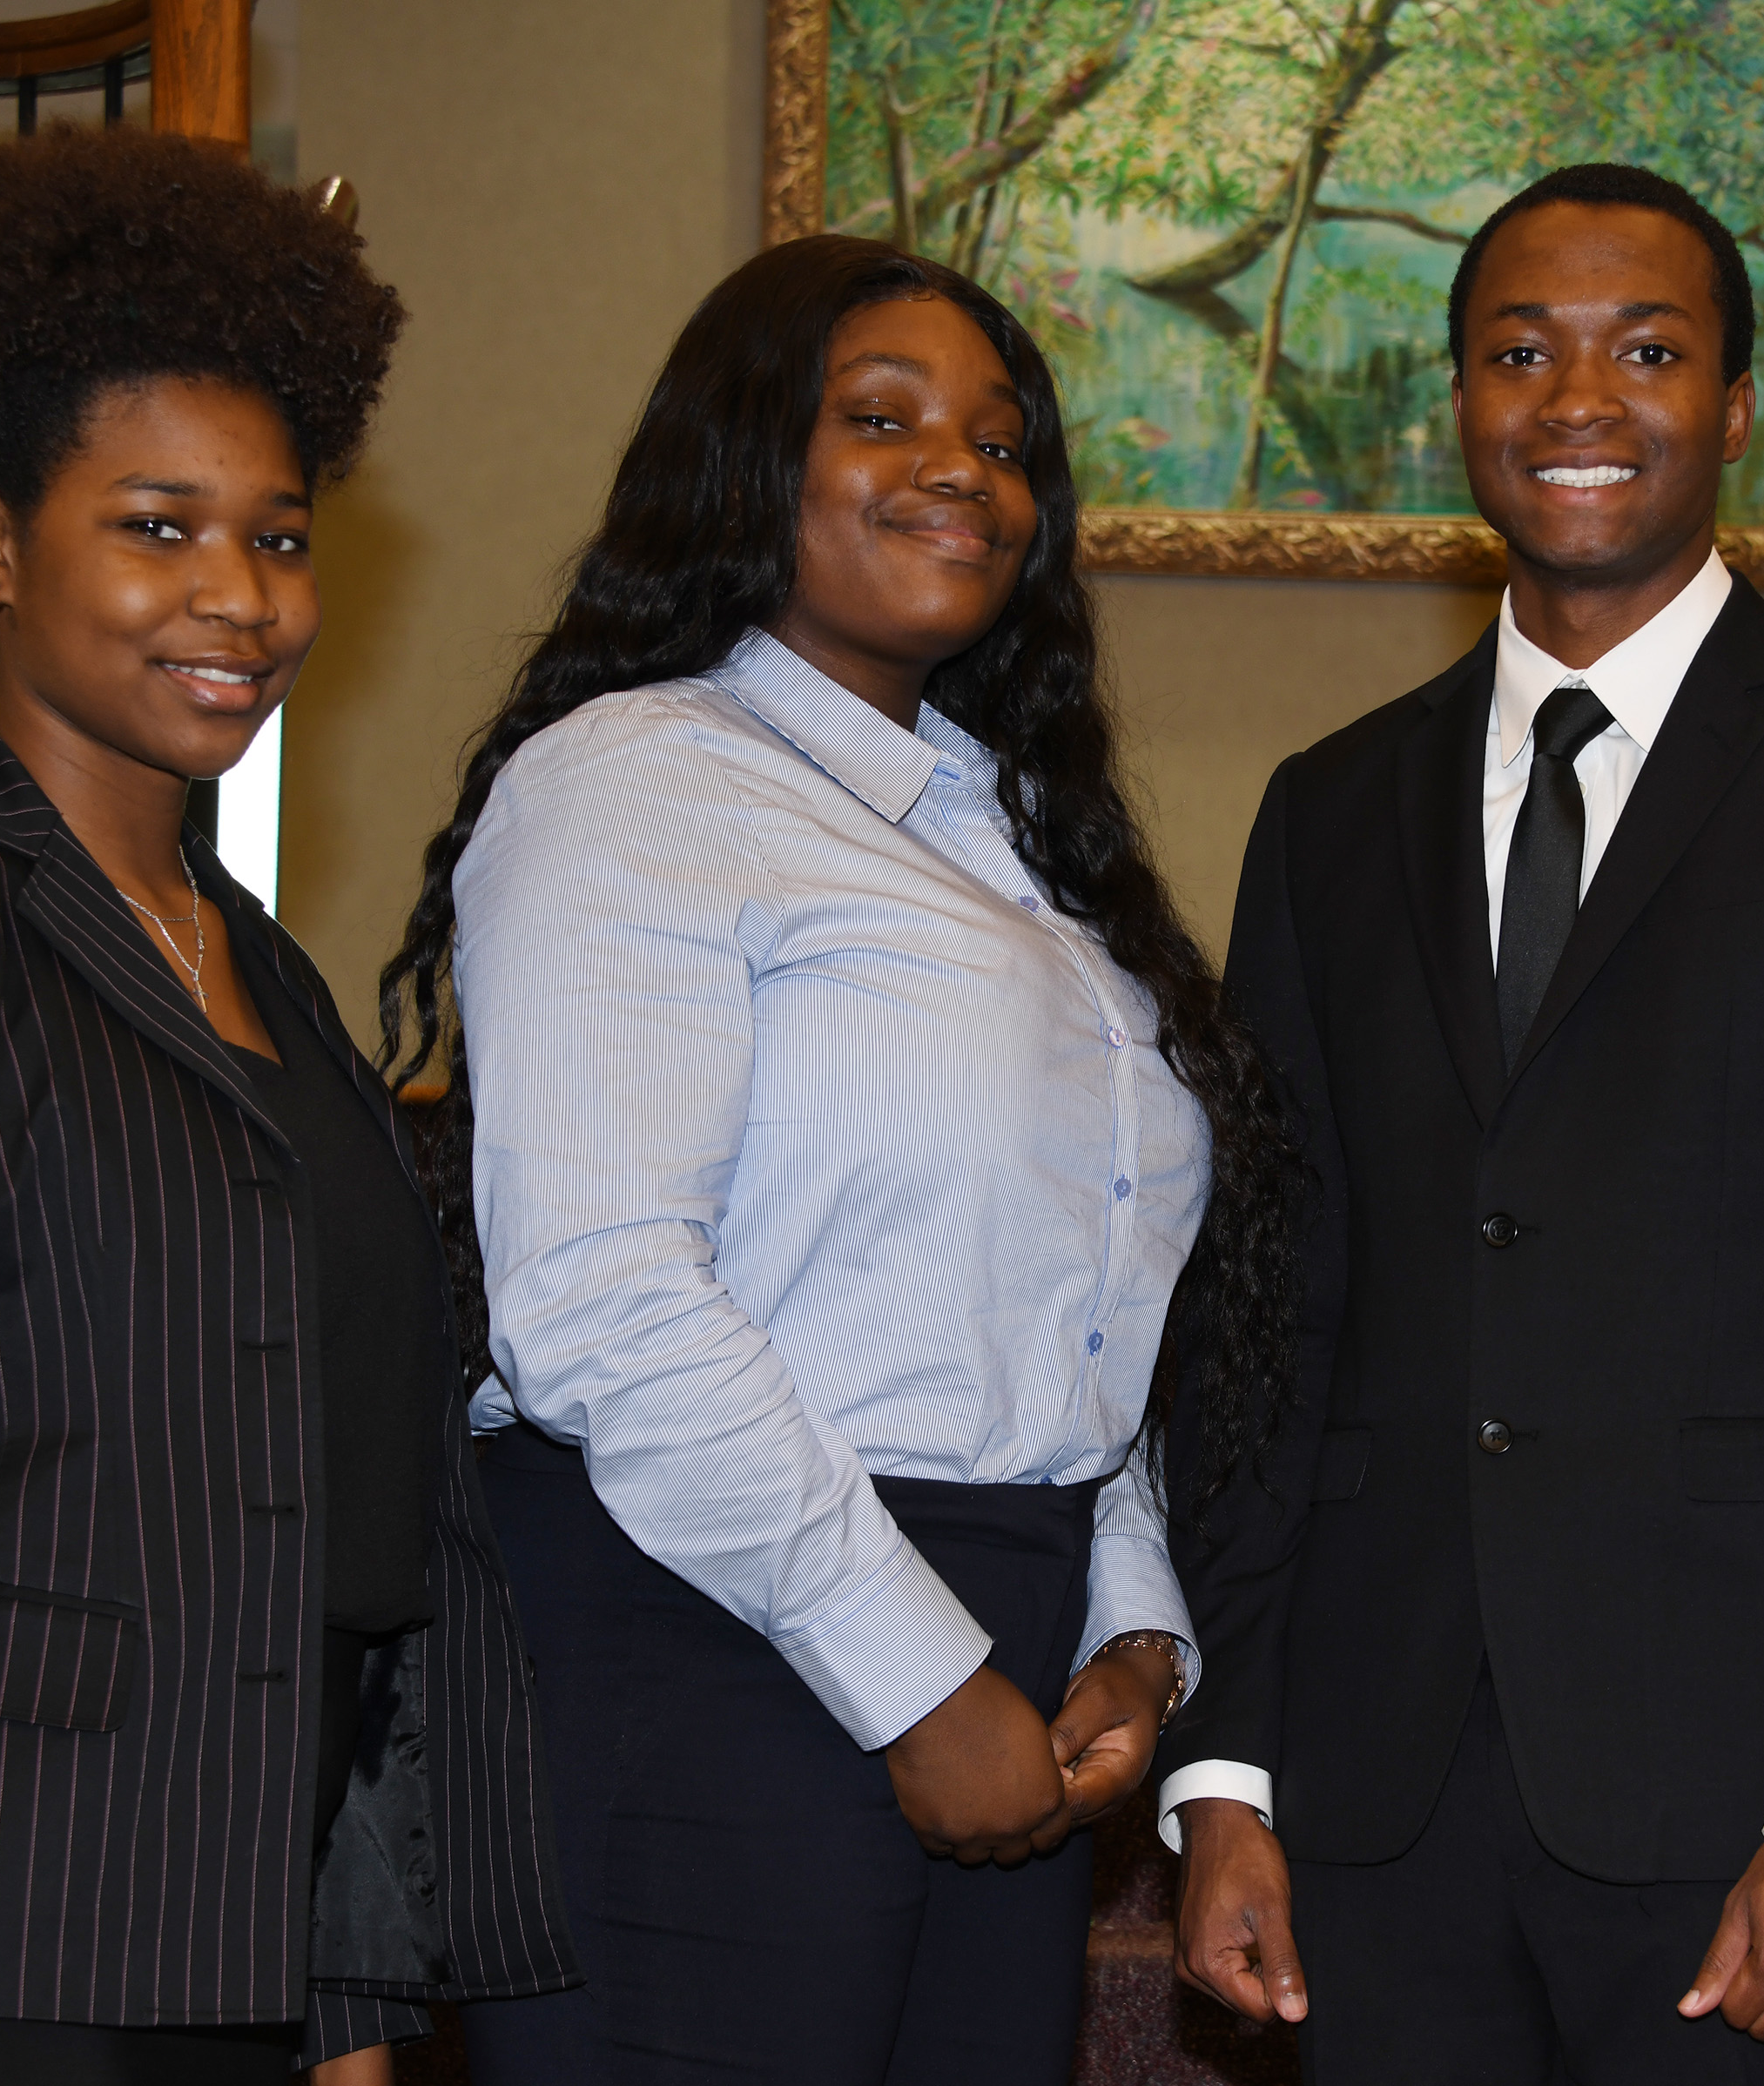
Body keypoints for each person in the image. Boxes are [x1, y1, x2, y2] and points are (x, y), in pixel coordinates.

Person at [0, 124, 574, 2086]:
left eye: (281, 531)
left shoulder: (276, 985)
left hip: (243, 1979)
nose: (237, 593)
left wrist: (346, 2005)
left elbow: (322, 1540)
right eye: (156, 527)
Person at [1161, 162, 1764, 2081]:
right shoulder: (1325, 813)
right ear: (1456, 405)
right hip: (1368, 1818)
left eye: (1645, 350)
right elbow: (1259, 1316)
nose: (1577, 400)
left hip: (1742, 1815)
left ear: (1735, 410)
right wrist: (1223, 1764)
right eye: (1518, 352)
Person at [392, 232, 1295, 2085]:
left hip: (1005, 1656)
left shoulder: (1029, 853)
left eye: (1000, 440)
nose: (959, 469)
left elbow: (1078, 1322)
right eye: (881, 418)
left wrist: (1129, 1631)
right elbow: (603, 1302)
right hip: (706, 1637)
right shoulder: (635, 778)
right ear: (743, 458)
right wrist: (918, 1675)